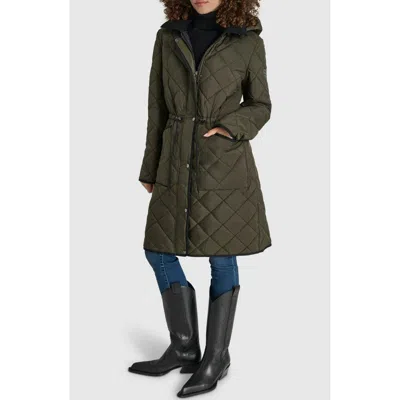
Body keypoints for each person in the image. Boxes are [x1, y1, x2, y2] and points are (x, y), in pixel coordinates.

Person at [129, 0, 272, 397]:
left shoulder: (247, 41)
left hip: (223, 165)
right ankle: (184, 346)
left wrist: (229, 127)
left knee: (221, 256)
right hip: (175, 161)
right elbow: (157, 106)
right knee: (158, 250)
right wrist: (150, 167)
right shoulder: (169, 36)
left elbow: (260, 105)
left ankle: (216, 357)